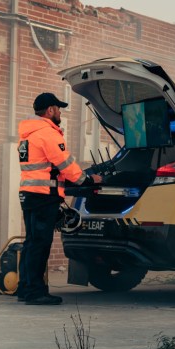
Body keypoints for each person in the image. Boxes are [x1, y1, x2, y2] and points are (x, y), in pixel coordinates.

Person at [16, 92, 102, 305]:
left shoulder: (28, 134)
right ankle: (36, 293)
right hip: (44, 196)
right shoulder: (48, 133)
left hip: (29, 194)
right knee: (40, 244)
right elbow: (65, 165)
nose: (60, 112)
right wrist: (88, 180)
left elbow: (47, 166)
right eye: (59, 109)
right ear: (50, 110)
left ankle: (25, 288)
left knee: (31, 243)